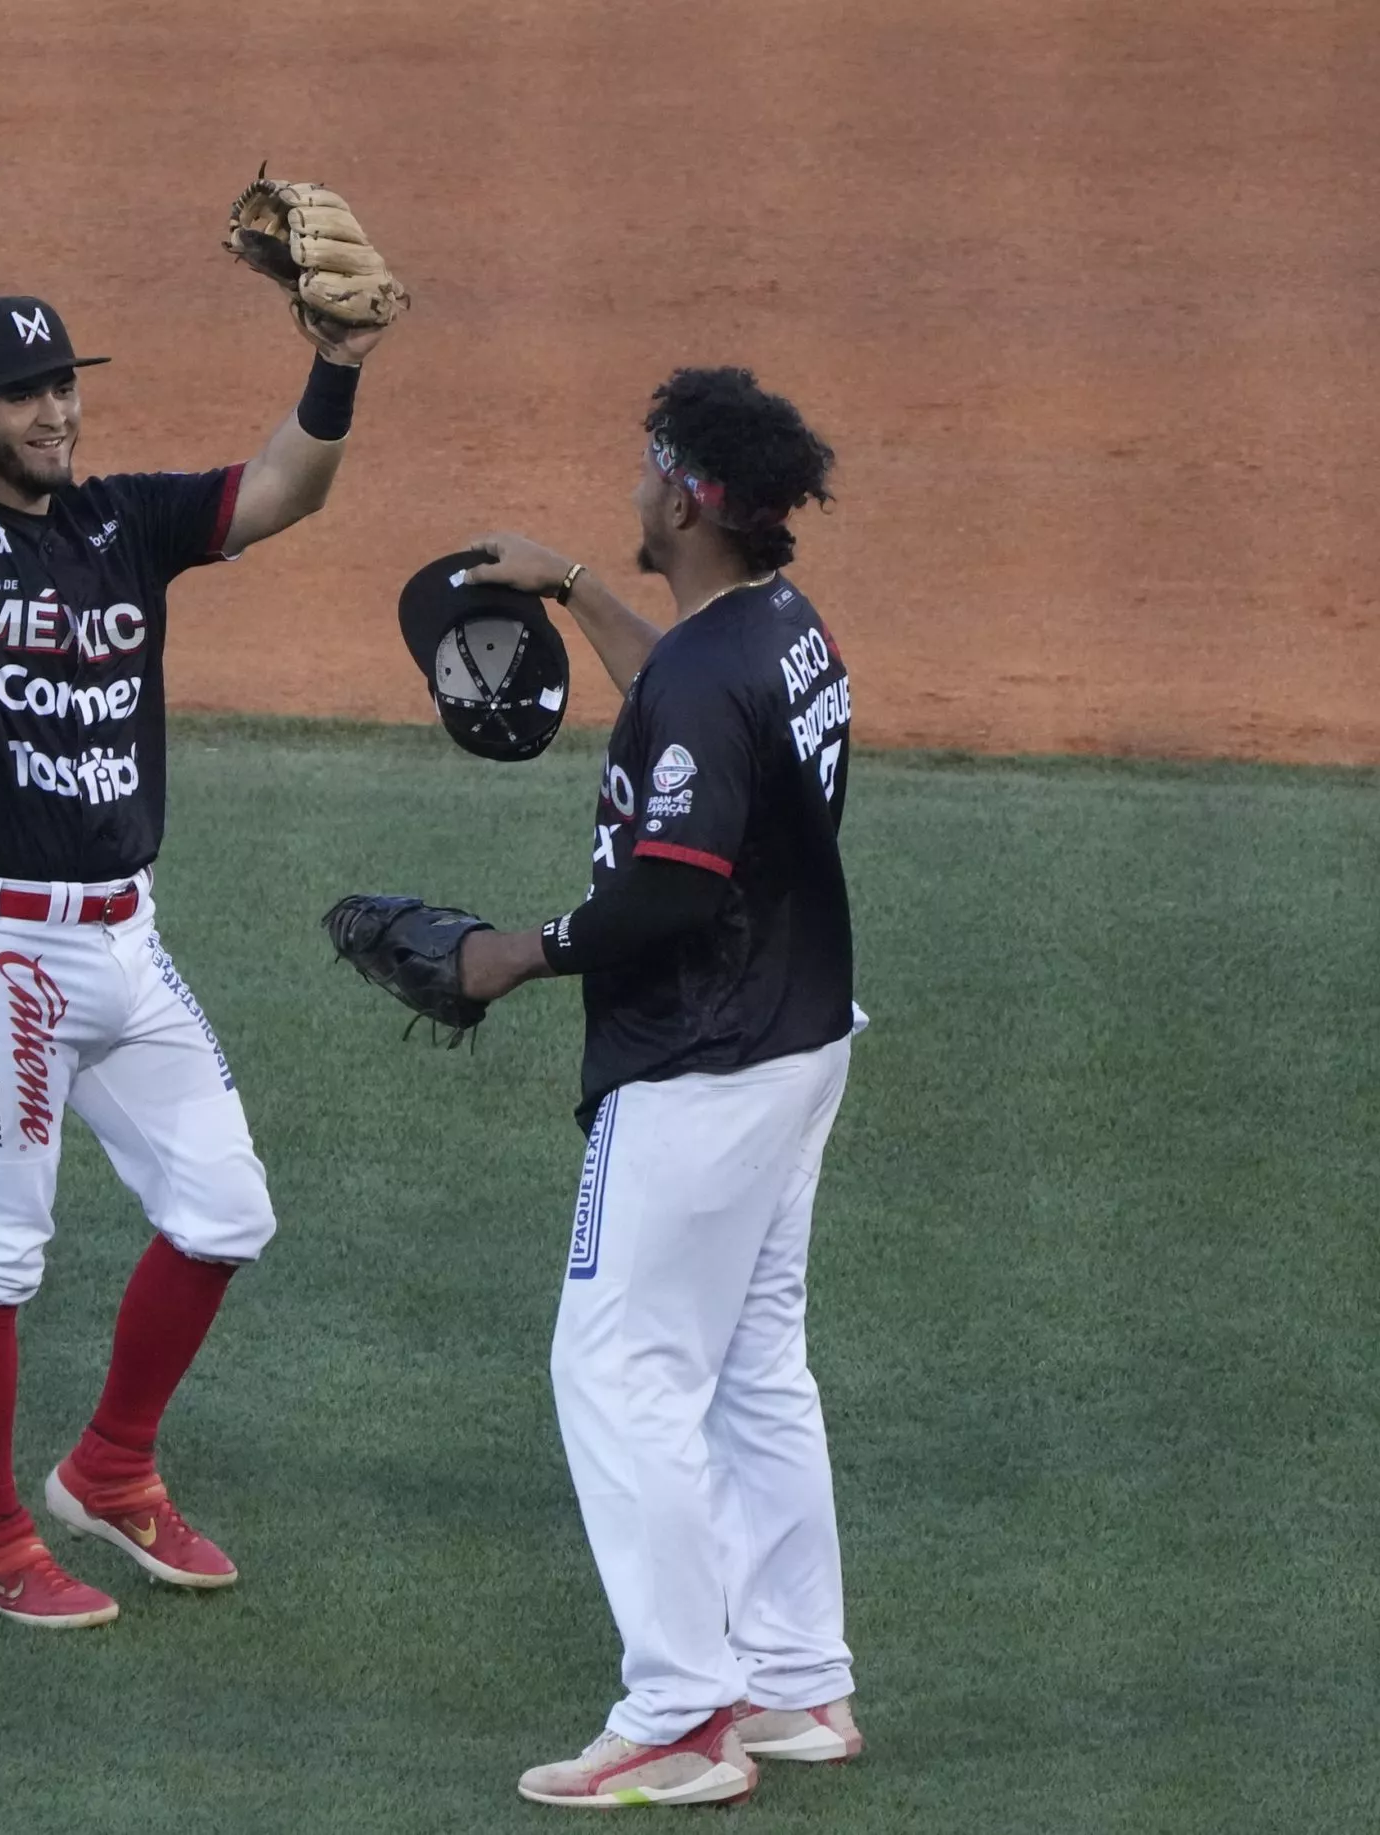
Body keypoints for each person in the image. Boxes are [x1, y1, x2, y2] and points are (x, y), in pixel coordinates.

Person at [0, 134, 393, 1628]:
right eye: (25, 394)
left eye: (65, 384)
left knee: (226, 1208)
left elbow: (286, 490)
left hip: (123, 940)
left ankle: (114, 1465)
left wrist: (336, 364)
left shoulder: (117, 520)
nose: (56, 409)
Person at [453, 368, 859, 1808]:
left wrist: (517, 953)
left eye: (645, 469)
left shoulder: (708, 672)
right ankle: (800, 1678)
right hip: (805, 1031)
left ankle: (685, 1712)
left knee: (617, 1370)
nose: (632, 488)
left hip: (705, 1057)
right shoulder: (780, 631)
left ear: (689, 496)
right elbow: (694, 711)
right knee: (752, 1361)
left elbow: (672, 887)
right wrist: (568, 583)